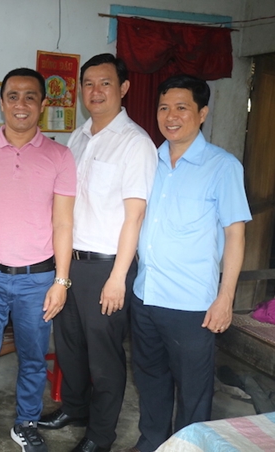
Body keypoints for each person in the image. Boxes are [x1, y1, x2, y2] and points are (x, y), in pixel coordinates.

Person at [37, 53, 157, 452]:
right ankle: (75, 409)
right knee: (69, 345)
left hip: (106, 267)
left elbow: (135, 216)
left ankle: (101, 436)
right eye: (88, 83)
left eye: (105, 83)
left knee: (104, 358)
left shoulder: (135, 143)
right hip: (70, 261)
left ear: (124, 88)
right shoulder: (78, 137)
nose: (95, 91)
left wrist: (118, 278)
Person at [127, 74, 251, 452]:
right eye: (164, 107)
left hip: (192, 304)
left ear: (202, 113)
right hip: (145, 295)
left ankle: (189, 448)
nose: (171, 116)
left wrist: (225, 297)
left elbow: (235, 235)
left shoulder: (222, 166)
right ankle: (152, 443)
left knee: (194, 393)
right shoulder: (149, 161)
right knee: (150, 381)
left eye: (182, 107)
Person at [0, 68, 76, 452]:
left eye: (30, 97)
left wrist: (61, 281)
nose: (20, 104)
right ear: (1, 102)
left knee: (34, 358)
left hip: (37, 279)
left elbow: (63, 222)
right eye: (13, 96)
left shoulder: (60, 156)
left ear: (43, 104)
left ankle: (26, 423)